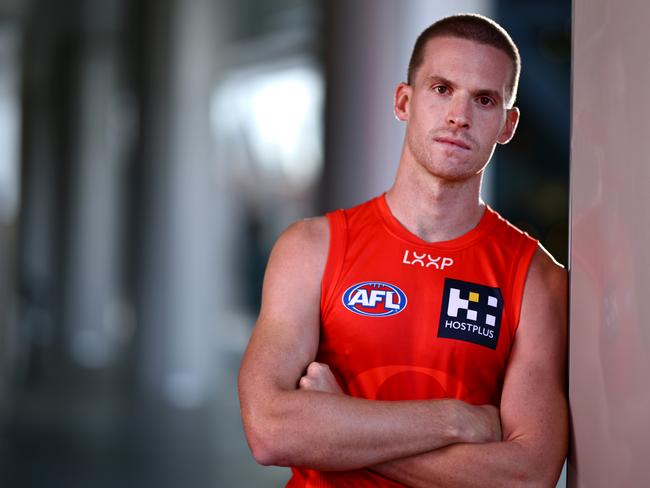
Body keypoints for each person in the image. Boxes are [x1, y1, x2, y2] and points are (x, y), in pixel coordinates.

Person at [238, 13, 567, 488]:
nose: (460, 115)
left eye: (484, 99)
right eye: (441, 89)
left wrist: (338, 425)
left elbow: (525, 476)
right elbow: (269, 431)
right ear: (403, 101)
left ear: (507, 125)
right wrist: (457, 420)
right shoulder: (311, 249)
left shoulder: (536, 282)